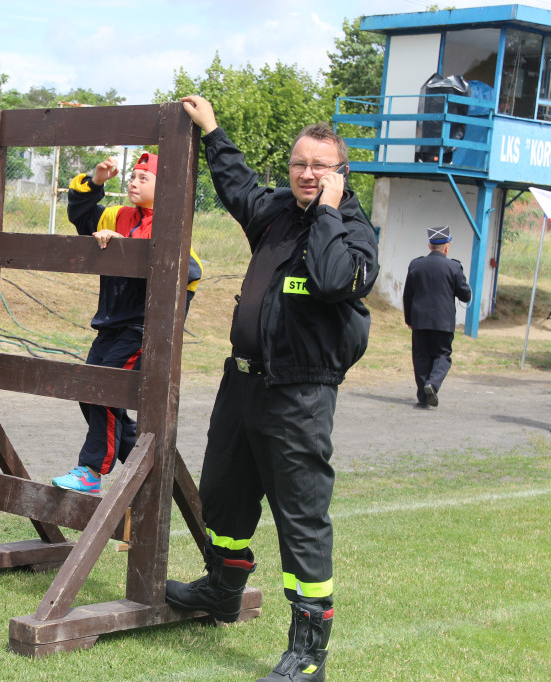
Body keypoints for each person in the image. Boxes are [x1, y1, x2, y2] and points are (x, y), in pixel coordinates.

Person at [166, 95, 378, 682]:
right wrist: (212, 130)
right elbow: (238, 186)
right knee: (223, 499)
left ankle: (308, 651)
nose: (307, 175)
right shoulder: (277, 211)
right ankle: (222, 592)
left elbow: (336, 279)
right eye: (299, 165)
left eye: (321, 167)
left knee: (301, 519)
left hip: (300, 397)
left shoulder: (355, 233)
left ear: (341, 174)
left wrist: (330, 212)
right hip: (243, 387)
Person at [51, 153, 202, 493]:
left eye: (143, 178)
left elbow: (192, 271)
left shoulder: (171, 226)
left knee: (104, 390)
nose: (134, 182)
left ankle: (91, 470)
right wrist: (96, 180)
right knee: (87, 391)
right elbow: (81, 216)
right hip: (110, 324)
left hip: (143, 329)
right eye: (132, 176)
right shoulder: (117, 214)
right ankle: (145, 462)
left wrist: (130, 251)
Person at [402, 226, 471, 408]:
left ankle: (422, 398)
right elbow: (465, 295)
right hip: (443, 322)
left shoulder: (415, 265)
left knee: (421, 357)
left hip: (420, 322)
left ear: (429, 245)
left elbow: (407, 295)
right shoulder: (454, 267)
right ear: (447, 247)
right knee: (442, 355)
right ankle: (432, 384)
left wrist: (409, 319)